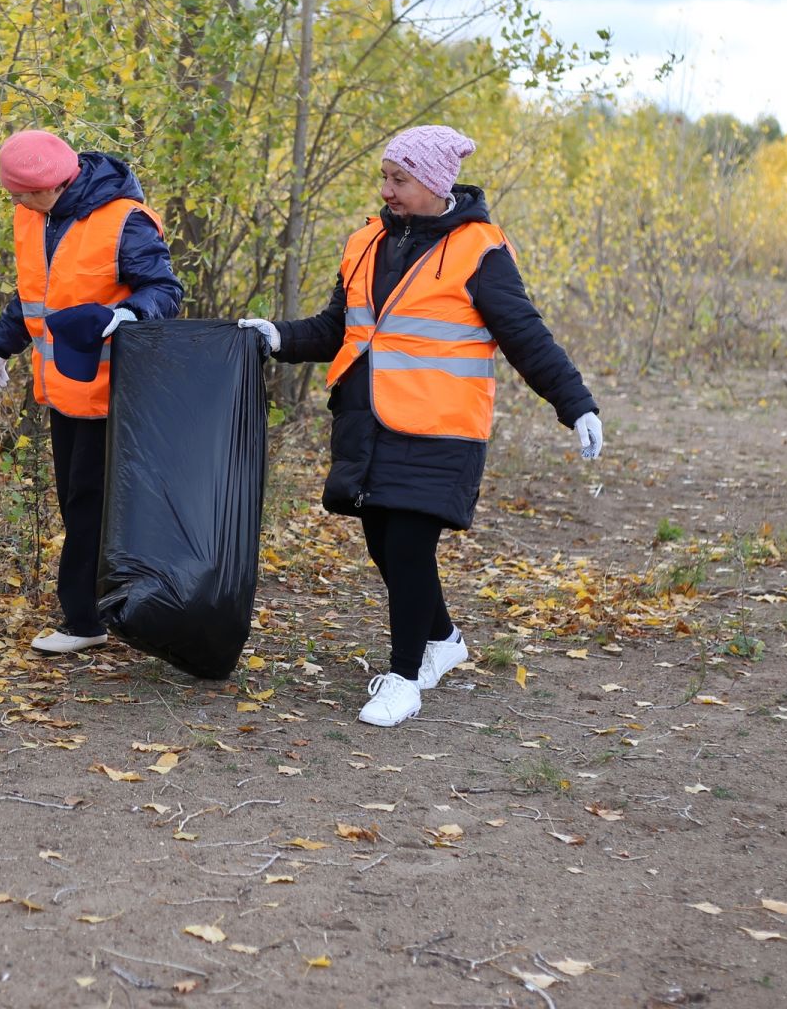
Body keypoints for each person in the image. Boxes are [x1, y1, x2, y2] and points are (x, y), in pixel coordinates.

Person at [238, 125, 602, 727]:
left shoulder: (479, 250)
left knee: (408, 545)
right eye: (385, 176)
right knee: (384, 543)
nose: (387, 189)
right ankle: (444, 640)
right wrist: (279, 337)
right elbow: (340, 329)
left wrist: (576, 403)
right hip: (369, 422)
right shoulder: (364, 243)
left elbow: (525, 335)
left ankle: (404, 679)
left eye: (399, 179)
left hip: (440, 427)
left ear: (435, 183)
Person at [0, 129, 183, 654]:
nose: (16, 202)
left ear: (53, 185)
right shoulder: (33, 217)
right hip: (65, 389)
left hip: (115, 393)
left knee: (90, 504)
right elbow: (34, 294)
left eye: (22, 192)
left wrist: (130, 313)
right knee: (77, 502)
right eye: (13, 194)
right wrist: (2, 347)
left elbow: (164, 290)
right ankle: (102, 611)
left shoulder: (125, 221)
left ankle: (85, 621)